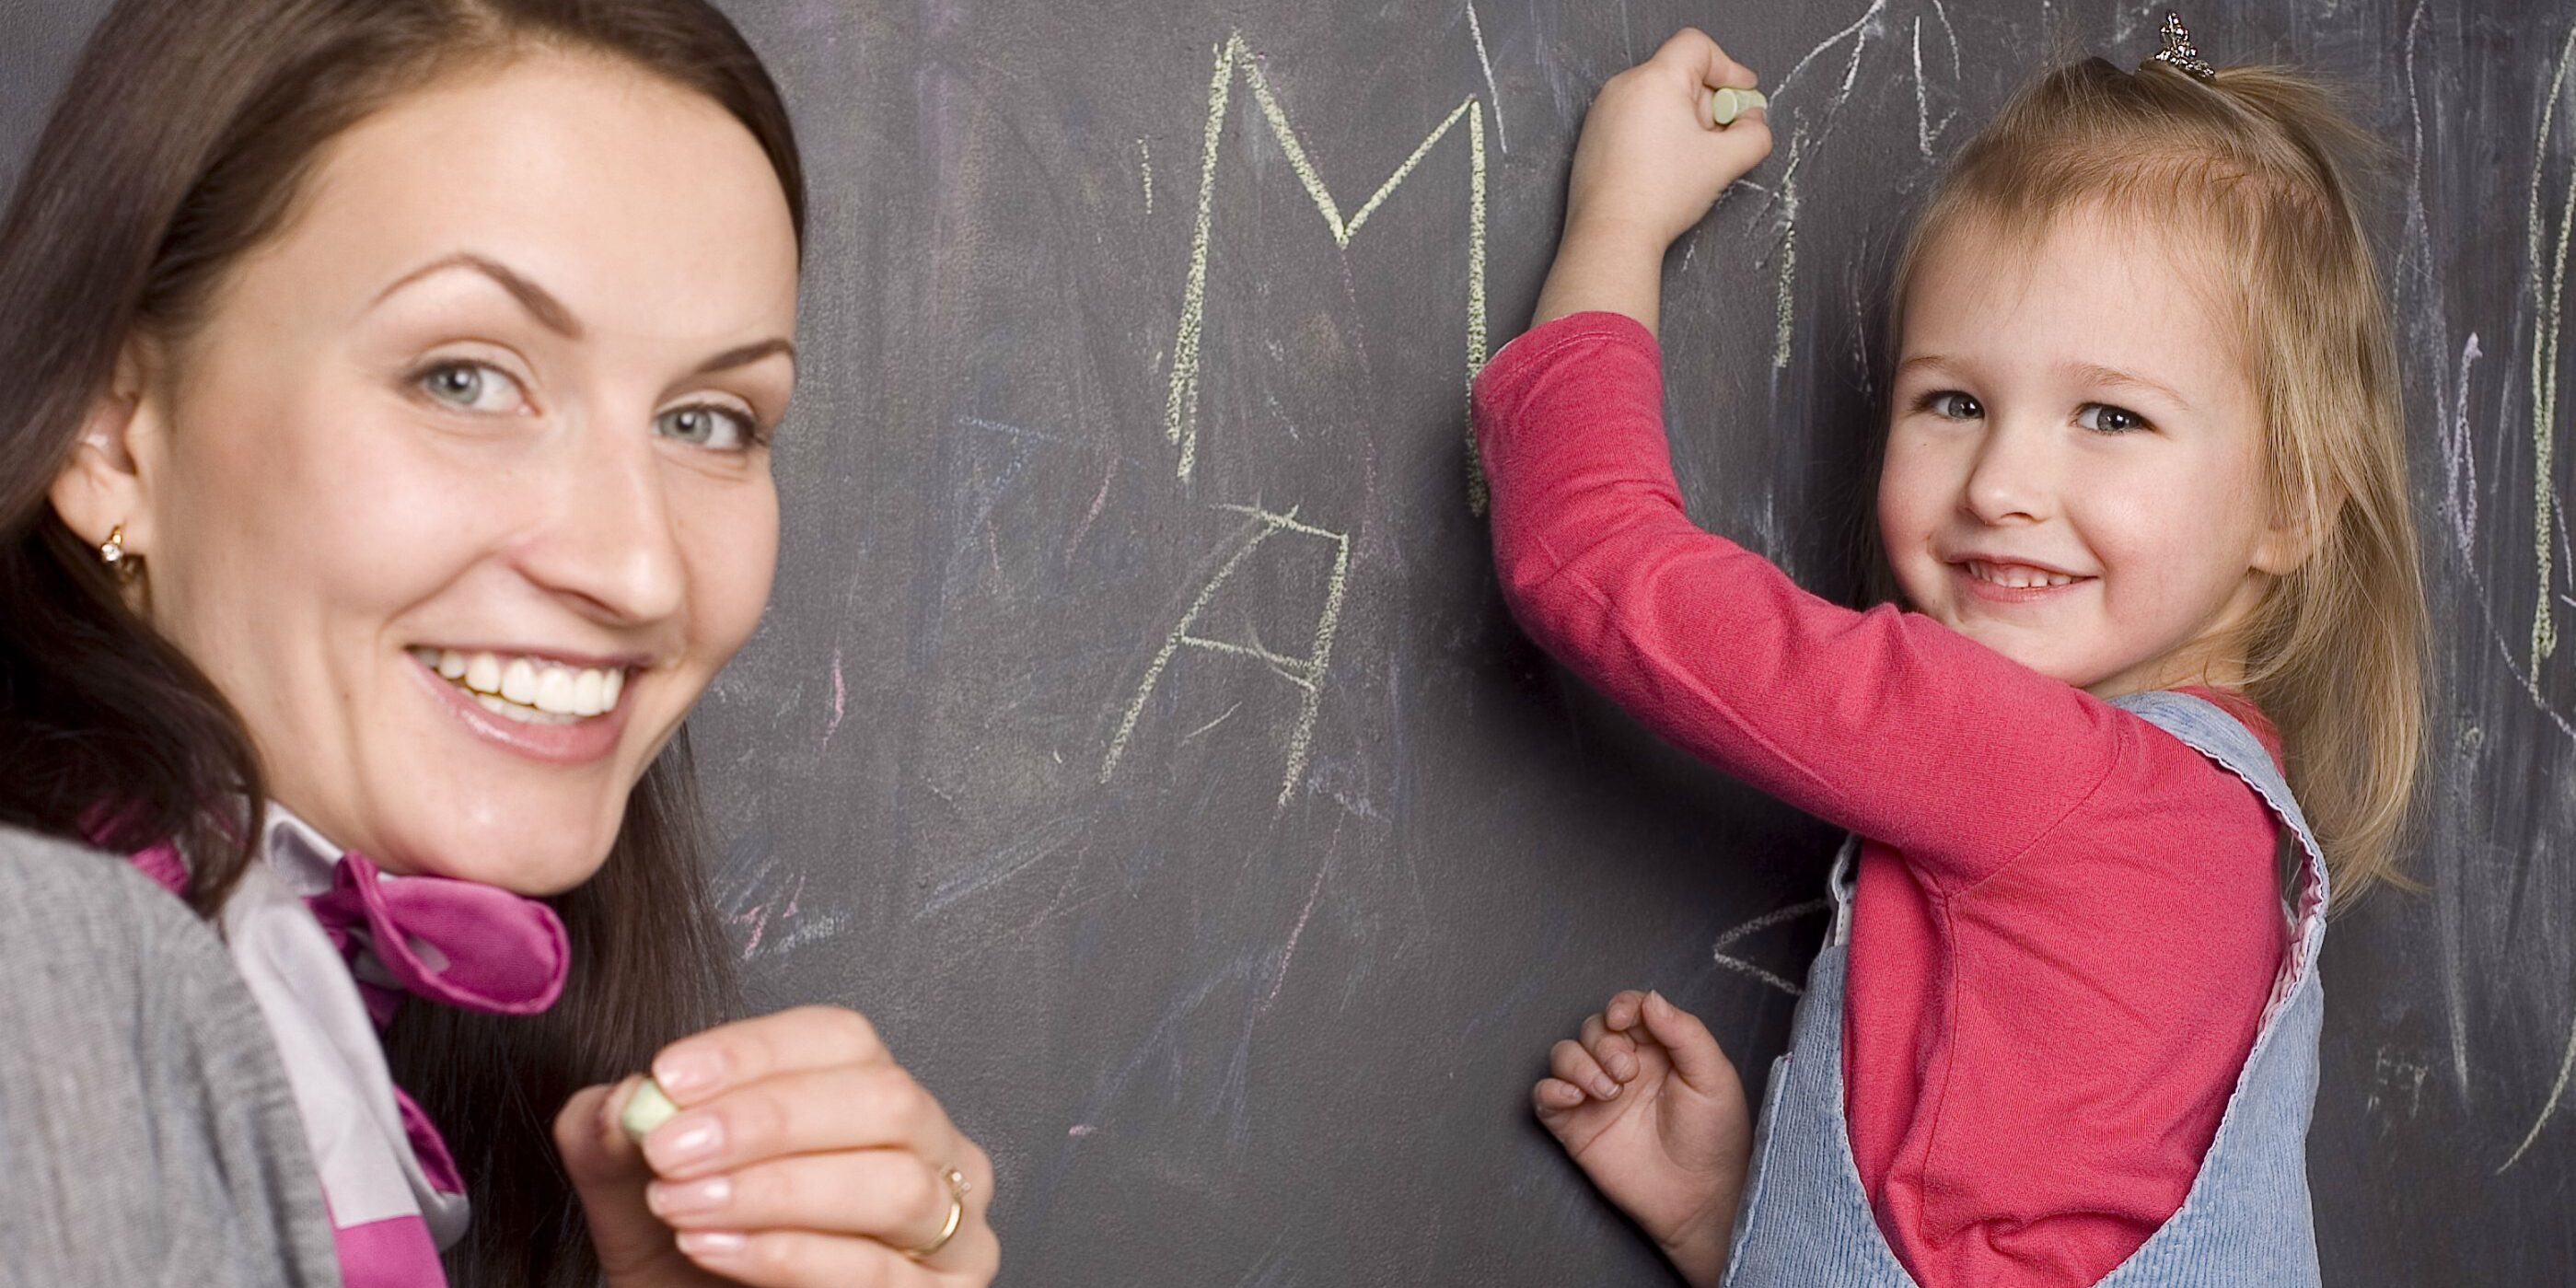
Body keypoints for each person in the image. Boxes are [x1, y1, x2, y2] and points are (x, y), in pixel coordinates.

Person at [0, 2, 997, 1286]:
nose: (637, 570)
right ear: (111, 434)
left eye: (706, 421)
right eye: (463, 379)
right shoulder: (52, 987)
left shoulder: (290, 1017)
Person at [1479, 14, 2425, 1288]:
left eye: (2109, 415)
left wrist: (1616, 219)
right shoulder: (2213, 813)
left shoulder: (2030, 765)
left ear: (2293, 504)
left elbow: (1587, 560)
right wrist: (1747, 1220)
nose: (2000, 483)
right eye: (1953, 402)